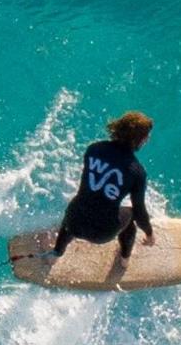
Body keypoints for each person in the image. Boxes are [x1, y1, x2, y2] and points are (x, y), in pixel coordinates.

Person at [39, 111, 158, 284]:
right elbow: (140, 212)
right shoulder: (136, 171)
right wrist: (149, 233)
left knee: (81, 201)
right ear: (140, 139)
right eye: (146, 137)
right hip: (103, 233)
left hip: (73, 222)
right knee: (131, 215)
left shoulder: (94, 149)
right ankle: (124, 260)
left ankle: (56, 252)